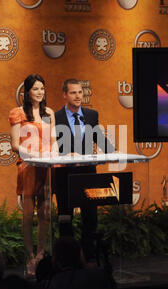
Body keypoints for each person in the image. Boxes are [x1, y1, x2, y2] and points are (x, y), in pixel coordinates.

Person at [54, 78, 115, 264]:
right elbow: (52, 145)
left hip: (88, 174)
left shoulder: (91, 114)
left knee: (90, 217)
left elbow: (98, 137)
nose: (78, 96)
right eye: (73, 92)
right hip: (65, 175)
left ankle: (88, 257)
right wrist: (65, 154)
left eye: (80, 92)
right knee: (65, 216)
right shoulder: (55, 118)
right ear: (65, 94)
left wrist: (112, 151)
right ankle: (68, 259)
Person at [9, 74, 58, 277]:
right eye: (36, 89)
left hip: (47, 167)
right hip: (28, 167)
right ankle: (29, 257)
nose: (40, 92)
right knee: (28, 216)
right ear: (27, 91)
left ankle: (41, 255)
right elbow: (14, 144)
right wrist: (34, 155)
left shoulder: (49, 113)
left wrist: (53, 154)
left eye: (42, 89)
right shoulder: (17, 112)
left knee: (45, 214)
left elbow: (53, 140)